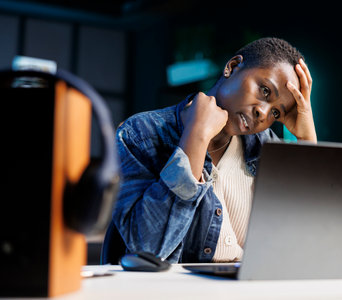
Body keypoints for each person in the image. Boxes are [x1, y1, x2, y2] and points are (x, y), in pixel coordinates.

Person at [111, 37, 317, 263]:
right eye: (265, 91)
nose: (263, 114)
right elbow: (147, 250)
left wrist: (306, 139)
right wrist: (197, 136)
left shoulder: (264, 145)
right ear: (232, 67)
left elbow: (304, 238)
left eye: (276, 113)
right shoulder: (141, 134)